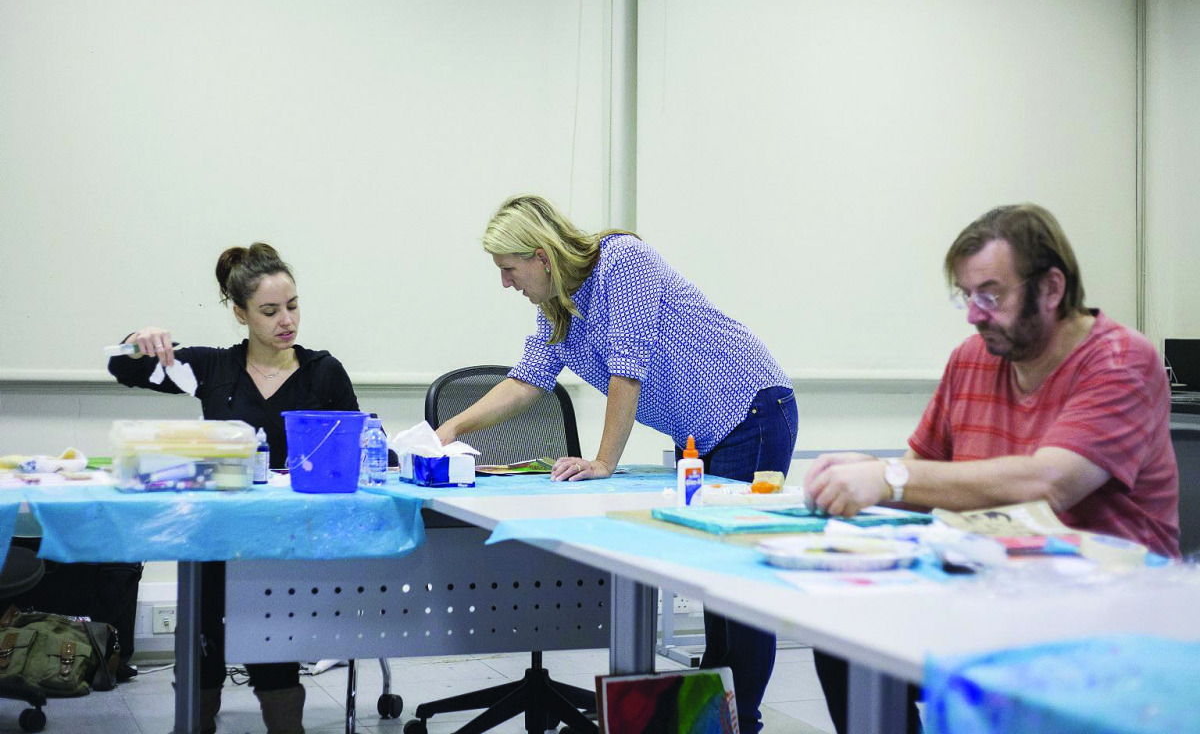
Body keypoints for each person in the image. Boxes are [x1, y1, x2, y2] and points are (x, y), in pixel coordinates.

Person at [803, 204, 1180, 734]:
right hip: (994, 595)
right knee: (848, 639)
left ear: (1051, 289)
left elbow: (1048, 484)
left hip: (1107, 617)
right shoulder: (971, 359)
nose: (974, 314)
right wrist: (862, 474)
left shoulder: (1121, 361)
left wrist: (887, 477)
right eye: (966, 296)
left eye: (990, 295)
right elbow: (922, 472)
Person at [435, 194, 797, 733]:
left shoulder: (622, 261)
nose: (506, 283)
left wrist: (604, 461)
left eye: (509, 270)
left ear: (542, 257)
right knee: (709, 579)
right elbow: (528, 376)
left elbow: (629, 369)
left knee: (736, 586)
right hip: (698, 431)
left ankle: (741, 721)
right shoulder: (558, 306)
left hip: (752, 409)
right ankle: (714, 715)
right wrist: (451, 429)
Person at [108, 242, 359, 734]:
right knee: (202, 640)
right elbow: (123, 367)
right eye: (269, 310)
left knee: (275, 648)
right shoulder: (211, 369)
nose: (286, 320)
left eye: (292, 305)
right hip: (218, 539)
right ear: (240, 313)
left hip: (287, 542)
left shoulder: (321, 371)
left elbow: (352, 453)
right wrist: (139, 339)